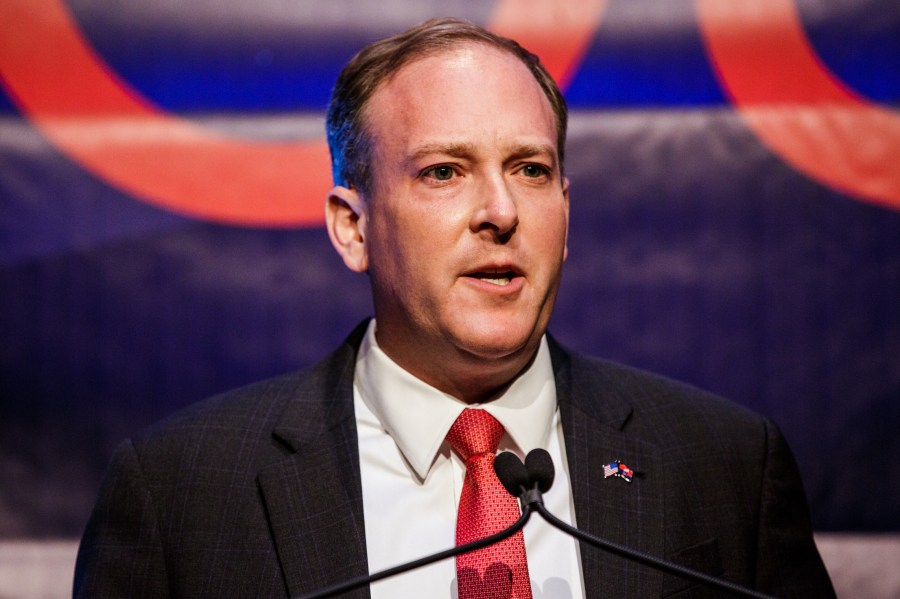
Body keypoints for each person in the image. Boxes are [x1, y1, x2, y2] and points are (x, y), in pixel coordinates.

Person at [74, 18, 835, 598]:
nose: (501, 210)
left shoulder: (725, 463)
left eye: (531, 170)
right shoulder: (183, 491)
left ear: (565, 213)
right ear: (353, 226)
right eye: (444, 171)